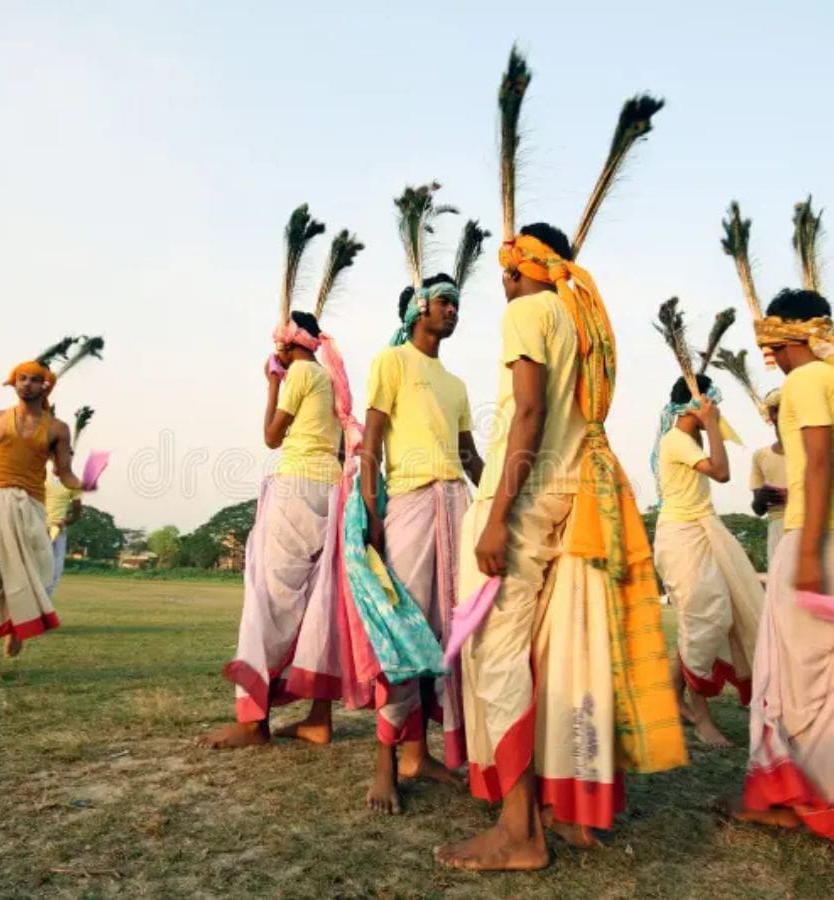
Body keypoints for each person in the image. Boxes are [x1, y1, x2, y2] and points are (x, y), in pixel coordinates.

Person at [436, 226, 685, 870]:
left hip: (520, 499)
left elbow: (528, 414)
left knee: (494, 653)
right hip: (565, 499)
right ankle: (557, 807)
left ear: (522, 267)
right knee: (549, 648)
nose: (503, 277)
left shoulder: (528, 310)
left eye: (507, 265)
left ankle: (519, 833)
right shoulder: (582, 318)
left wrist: (495, 516)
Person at [361, 273, 484, 815]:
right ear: (416, 309)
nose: (453, 310)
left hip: (456, 506)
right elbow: (369, 449)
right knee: (404, 630)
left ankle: (420, 755)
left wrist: (509, 495)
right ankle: (385, 765)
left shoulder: (456, 384)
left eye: (458, 303)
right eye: (444, 301)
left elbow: (470, 458)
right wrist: (370, 510)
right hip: (408, 505)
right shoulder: (390, 363)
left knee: (447, 633)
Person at [198, 311, 346, 749]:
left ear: (285, 343)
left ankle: (253, 724)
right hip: (331, 489)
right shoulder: (332, 377)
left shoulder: (300, 374)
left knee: (269, 599)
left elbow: (271, 437)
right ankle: (318, 719)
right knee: (321, 604)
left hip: (297, 487)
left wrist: (272, 383)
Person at [732, 287, 834, 839]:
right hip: (817, 535)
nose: (764, 343)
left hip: (813, 539)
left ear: (791, 330)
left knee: (794, 677)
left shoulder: (808, 379)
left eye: (771, 330)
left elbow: (820, 462)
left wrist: (811, 552)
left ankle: (798, 801)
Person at [0, 360, 89, 681]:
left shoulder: (57, 429)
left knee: (34, 571)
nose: (26, 384)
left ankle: (18, 628)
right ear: (13, 383)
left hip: (30, 506)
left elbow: (63, 472)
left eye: (34, 380)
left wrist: (84, 483)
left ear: (45, 387)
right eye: (21, 379)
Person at [652, 373, 764, 748]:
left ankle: (670, 695)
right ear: (698, 405)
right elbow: (722, 471)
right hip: (682, 536)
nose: (718, 411)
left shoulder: (688, 437)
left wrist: (706, 422)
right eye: (712, 403)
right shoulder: (676, 440)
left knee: (710, 616)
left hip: (701, 532)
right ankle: (701, 719)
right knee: (705, 618)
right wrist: (711, 422)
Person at [750, 389, 787, 565]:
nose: (779, 415)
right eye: (774, 410)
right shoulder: (761, 456)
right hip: (778, 528)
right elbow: (758, 509)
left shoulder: (814, 450)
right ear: (770, 416)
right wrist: (762, 499)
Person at [44, 466, 82, 597]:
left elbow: (76, 514)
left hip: (59, 532)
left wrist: (65, 521)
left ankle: (45, 610)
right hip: (38, 530)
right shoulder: (41, 476)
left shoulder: (74, 482)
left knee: (55, 574)